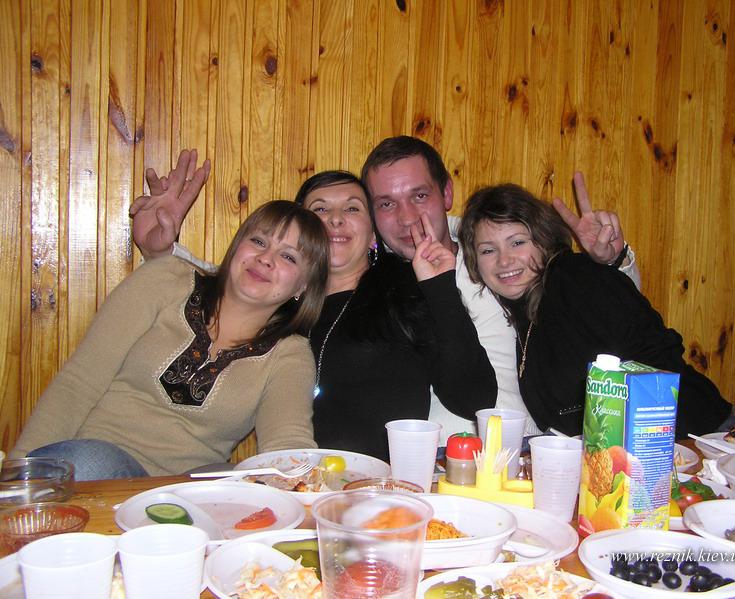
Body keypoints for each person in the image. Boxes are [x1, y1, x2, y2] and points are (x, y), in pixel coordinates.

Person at [134, 161, 497, 459]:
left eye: (352, 208)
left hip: (381, 491)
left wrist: (439, 288)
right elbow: (212, 291)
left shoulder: (405, 292)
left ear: (373, 234)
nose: (335, 219)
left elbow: (474, 399)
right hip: (292, 483)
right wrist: (160, 252)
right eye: (320, 209)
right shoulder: (271, 302)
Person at [11, 191, 330, 480]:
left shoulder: (290, 354)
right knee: (89, 461)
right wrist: (17, 476)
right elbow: (77, 383)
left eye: (288, 257)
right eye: (259, 241)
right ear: (237, 246)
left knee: (233, 478)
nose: (266, 258)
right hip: (97, 468)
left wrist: (303, 490)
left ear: (302, 287)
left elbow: (286, 444)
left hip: (182, 496)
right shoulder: (166, 280)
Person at [359, 136, 640, 440]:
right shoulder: (370, 284)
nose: (406, 218)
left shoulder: (492, 254)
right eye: (387, 204)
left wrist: (612, 262)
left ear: (446, 193)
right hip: (431, 452)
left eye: (420, 196)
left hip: (529, 445)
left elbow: (607, 316)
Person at [457, 181, 734, 438]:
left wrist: (612, 262)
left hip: (697, 440)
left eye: (517, 242)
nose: (504, 260)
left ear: (543, 240)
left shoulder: (572, 276)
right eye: (488, 250)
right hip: (629, 457)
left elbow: (658, 350)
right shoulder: (523, 316)